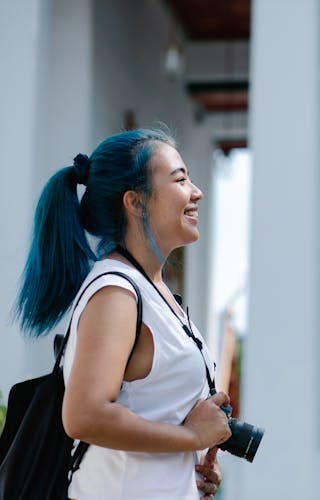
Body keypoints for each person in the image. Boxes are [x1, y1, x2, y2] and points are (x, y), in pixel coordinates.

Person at [16, 128, 232, 499]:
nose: (196, 192)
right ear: (135, 202)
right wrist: (191, 436)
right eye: (180, 179)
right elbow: (85, 416)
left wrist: (190, 469)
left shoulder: (153, 292)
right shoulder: (116, 292)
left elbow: (147, 416)